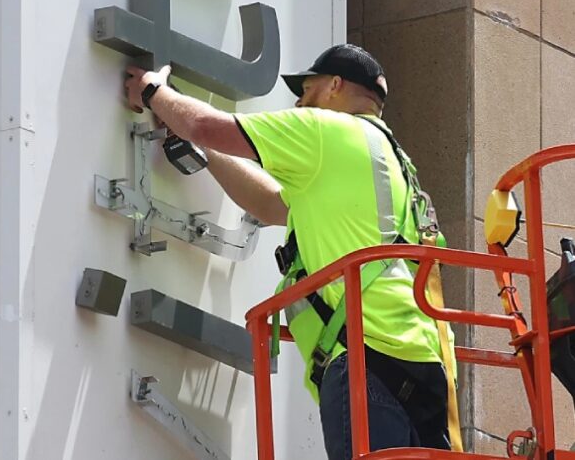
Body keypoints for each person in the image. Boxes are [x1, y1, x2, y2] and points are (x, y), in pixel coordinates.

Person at [122, 44, 458, 460]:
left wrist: (155, 93)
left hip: (366, 355)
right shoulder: (390, 160)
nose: (299, 102)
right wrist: (205, 154)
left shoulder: (324, 130)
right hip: (422, 365)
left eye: (308, 89)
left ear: (335, 86)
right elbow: (270, 205)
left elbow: (208, 126)